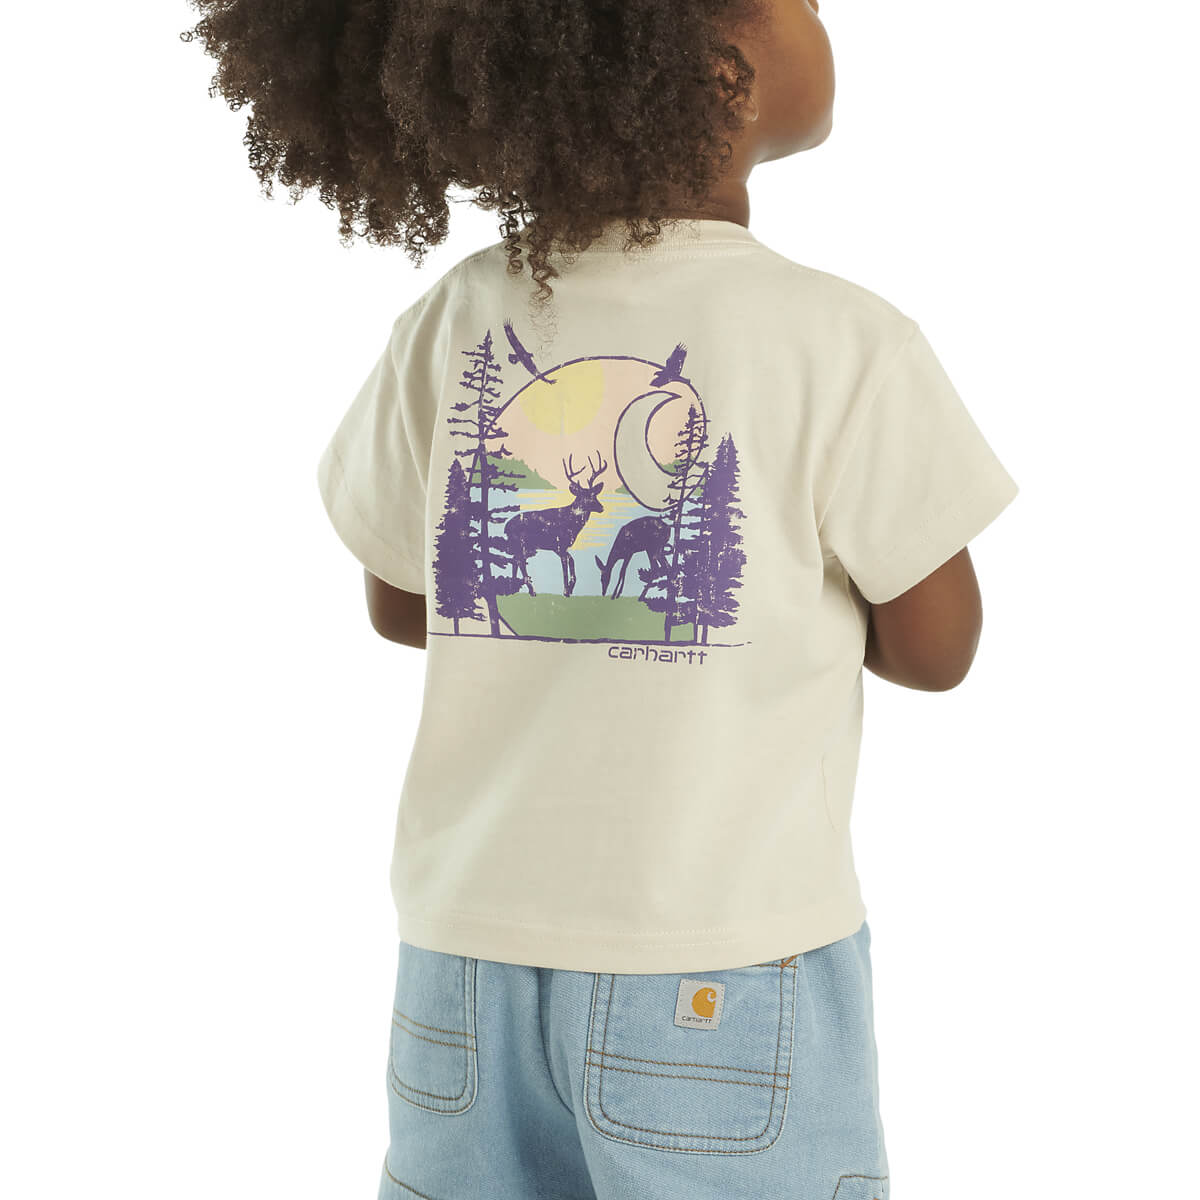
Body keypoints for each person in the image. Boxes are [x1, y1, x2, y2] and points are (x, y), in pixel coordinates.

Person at [186, 1, 1018, 1195]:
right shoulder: (840, 339)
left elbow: (403, 603)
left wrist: (557, 622)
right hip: (718, 967)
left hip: (463, 966)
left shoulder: (453, 320)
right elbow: (941, 649)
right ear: (727, 74)